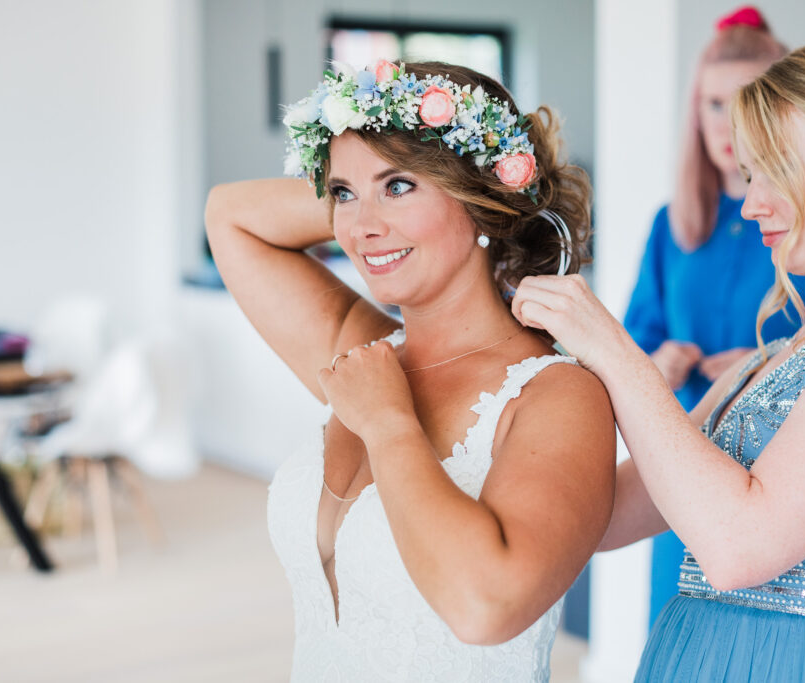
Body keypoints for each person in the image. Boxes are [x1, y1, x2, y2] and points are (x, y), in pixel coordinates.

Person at [512, 38, 805, 680]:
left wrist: (615, 350)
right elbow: (602, 517)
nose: (752, 202)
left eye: (778, 166)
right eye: (749, 174)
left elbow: (736, 547)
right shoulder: (764, 361)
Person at [205, 60, 615, 681]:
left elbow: (485, 609)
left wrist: (391, 425)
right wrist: (374, 199)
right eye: (341, 192)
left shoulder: (557, 396)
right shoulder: (363, 351)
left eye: (400, 186)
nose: (362, 227)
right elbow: (227, 213)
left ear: (482, 199)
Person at [625, 4, 805, 625]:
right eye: (712, 104)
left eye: (747, 101)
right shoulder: (669, 227)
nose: (727, 123)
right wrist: (662, 363)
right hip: (683, 468)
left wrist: (768, 362)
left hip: (781, 477)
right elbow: (631, 346)